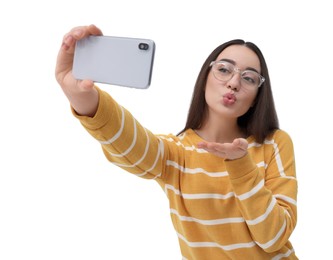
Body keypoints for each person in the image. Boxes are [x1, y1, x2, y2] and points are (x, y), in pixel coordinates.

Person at [56, 24, 298, 259]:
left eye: (249, 78)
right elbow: (128, 141)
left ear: (257, 96)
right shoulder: (176, 154)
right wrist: (80, 95)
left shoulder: (274, 143)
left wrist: (242, 167)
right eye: (224, 70)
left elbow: (273, 238)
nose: (234, 82)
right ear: (205, 78)